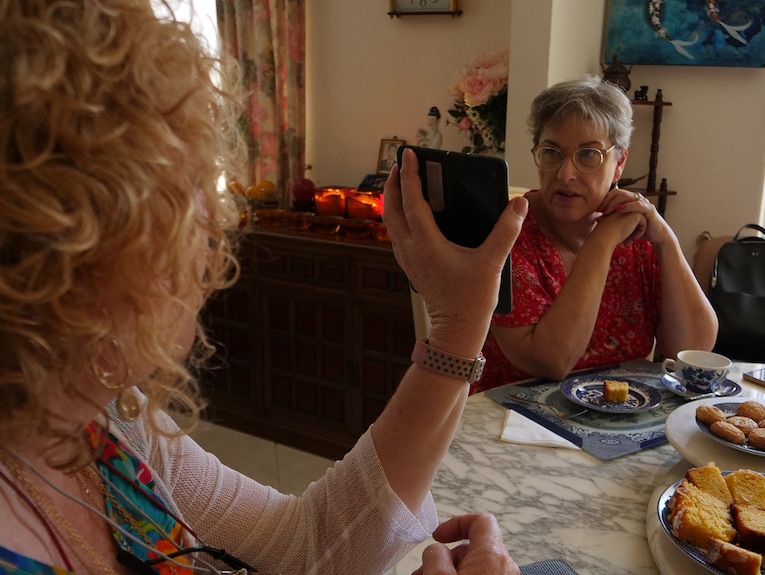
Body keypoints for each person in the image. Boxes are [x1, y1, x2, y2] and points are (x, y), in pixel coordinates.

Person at [0, 1, 527, 574]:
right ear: (57, 247)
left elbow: (308, 546)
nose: (214, 225)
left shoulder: (109, 420)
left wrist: (455, 326)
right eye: (179, 192)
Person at [474, 75, 718, 394]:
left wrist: (665, 240)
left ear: (619, 163)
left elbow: (693, 352)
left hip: (624, 420)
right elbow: (551, 362)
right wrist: (602, 241)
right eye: (552, 152)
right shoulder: (507, 234)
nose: (565, 173)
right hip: (513, 427)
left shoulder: (638, 236)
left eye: (588, 155)